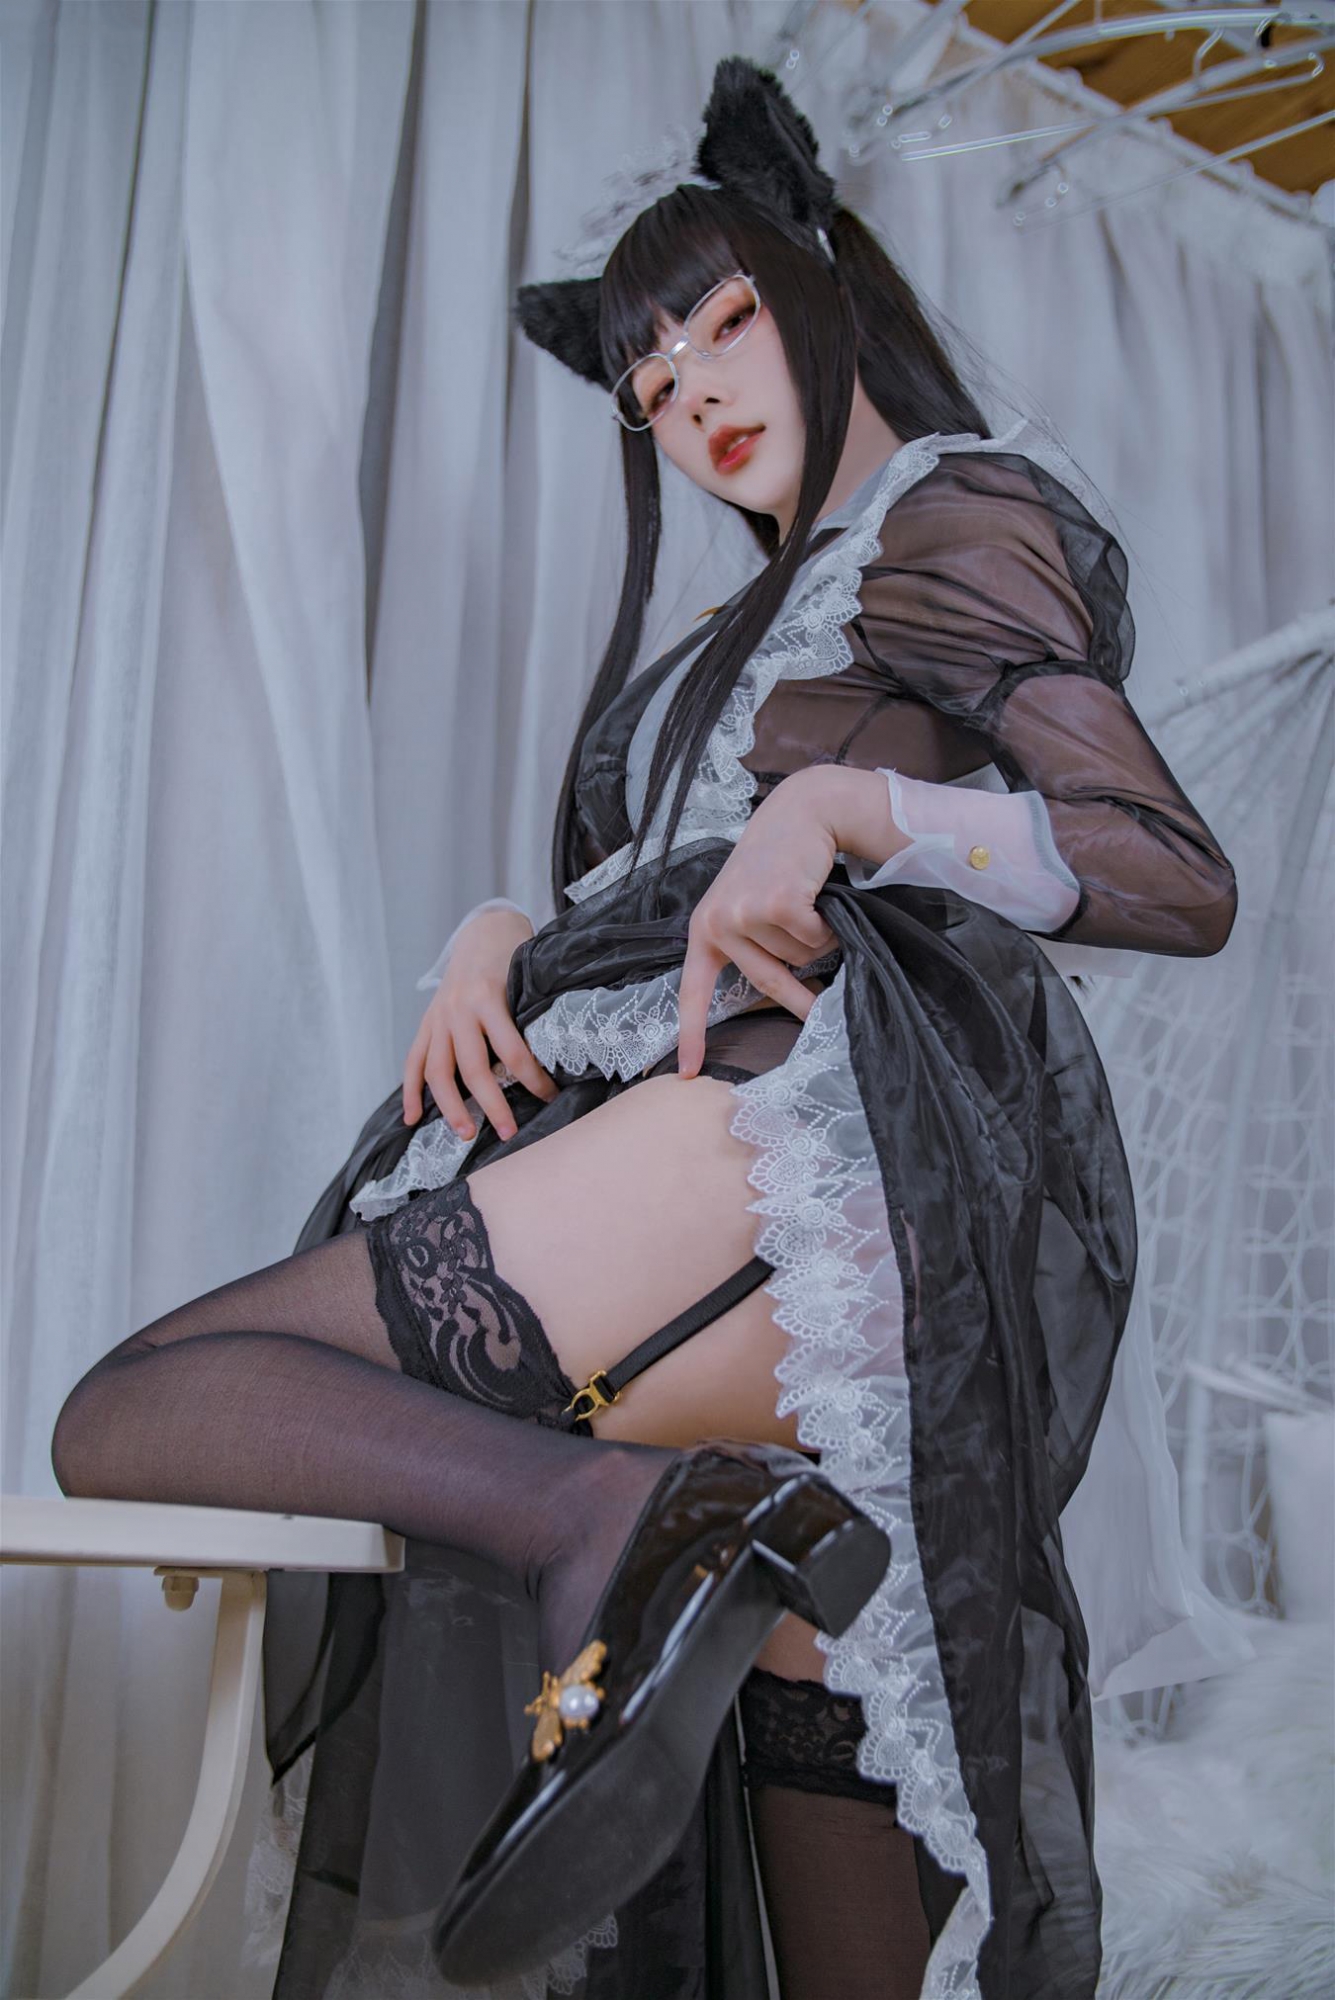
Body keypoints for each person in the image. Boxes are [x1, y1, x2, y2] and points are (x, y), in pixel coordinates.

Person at [49, 55, 1240, 2000]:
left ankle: (605, 1509)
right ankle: (684, 1522)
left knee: (130, 1404)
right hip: (731, 1222)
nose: (689, 394)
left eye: (720, 322)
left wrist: (851, 807)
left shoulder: (956, 511)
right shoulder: (725, 641)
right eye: (650, 385)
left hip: (788, 1166)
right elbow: (652, 901)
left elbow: (1164, 871)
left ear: (819, 283)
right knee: (807, 1783)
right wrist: (492, 933)